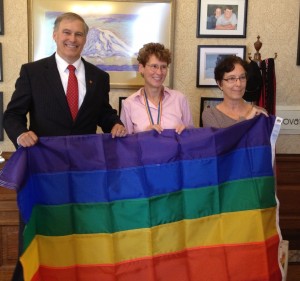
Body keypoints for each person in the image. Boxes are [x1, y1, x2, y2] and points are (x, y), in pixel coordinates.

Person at [3, 12, 126, 281]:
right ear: (55, 35)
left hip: (84, 173)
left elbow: (103, 113)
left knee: (80, 233)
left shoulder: (99, 76)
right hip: (43, 172)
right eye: (67, 33)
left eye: (79, 34)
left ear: (85, 39)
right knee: (37, 232)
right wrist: (21, 133)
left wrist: (114, 123)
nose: (72, 39)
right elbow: (11, 115)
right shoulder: (33, 72)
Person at [120, 42, 194, 134]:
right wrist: (144, 136)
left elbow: (192, 138)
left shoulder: (180, 99)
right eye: (154, 66)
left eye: (163, 67)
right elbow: (127, 144)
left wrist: (186, 131)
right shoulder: (129, 104)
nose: (159, 72)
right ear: (141, 68)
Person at [202, 55, 268, 128]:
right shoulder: (211, 115)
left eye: (242, 77)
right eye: (231, 78)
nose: (238, 84)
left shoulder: (260, 112)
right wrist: (247, 119)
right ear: (220, 84)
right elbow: (221, 139)